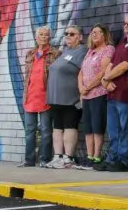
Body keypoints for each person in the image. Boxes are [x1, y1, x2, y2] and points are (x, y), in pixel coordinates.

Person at [96, 11, 128, 172]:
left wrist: (106, 78)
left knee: (126, 128)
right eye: (124, 23)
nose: (125, 26)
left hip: (125, 93)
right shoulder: (122, 41)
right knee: (113, 129)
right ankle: (112, 157)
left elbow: (125, 65)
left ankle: (123, 160)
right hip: (112, 92)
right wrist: (105, 80)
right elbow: (112, 63)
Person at [44, 25, 87, 169]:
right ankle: (58, 156)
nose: (68, 36)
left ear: (80, 37)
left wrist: (82, 93)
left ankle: (68, 158)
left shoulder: (82, 51)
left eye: (72, 34)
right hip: (56, 99)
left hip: (71, 99)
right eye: (66, 33)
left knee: (70, 126)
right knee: (57, 127)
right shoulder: (64, 52)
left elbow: (84, 73)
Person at [20, 26, 58, 167]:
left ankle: (44, 160)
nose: (43, 37)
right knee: (30, 130)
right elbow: (27, 76)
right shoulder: (30, 53)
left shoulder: (55, 53)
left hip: (46, 97)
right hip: (30, 97)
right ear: (36, 37)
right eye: (41, 34)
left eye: (46, 35)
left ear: (49, 37)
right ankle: (29, 160)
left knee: (46, 131)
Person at [78, 25, 114, 169]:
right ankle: (89, 155)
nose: (95, 34)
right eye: (93, 32)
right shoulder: (90, 52)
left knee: (97, 126)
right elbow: (81, 72)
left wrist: (88, 87)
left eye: (99, 32)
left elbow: (103, 72)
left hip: (98, 93)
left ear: (105, 35)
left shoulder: (108, 49)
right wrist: (81, 88)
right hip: (86, 96)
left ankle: (97, 156)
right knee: (88, 127)